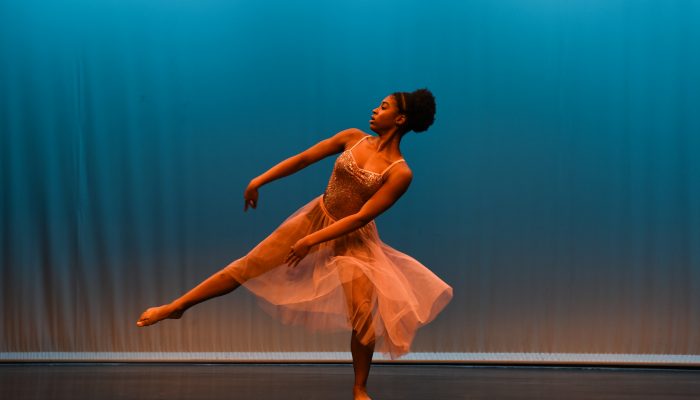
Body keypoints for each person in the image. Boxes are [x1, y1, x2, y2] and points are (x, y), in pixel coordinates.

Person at [136, 88, 453, 400]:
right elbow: (304, 159)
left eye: (383, 107)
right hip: (318, 215)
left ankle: (359, 388)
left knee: (362, 314)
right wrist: (260, 180)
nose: (375, 110)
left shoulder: (400, 172)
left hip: (353, 237)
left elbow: (361, 217)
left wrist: (312, 240)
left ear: (399, 119)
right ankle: (176, 307)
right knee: (246, 266)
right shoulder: (353, 137)